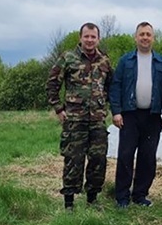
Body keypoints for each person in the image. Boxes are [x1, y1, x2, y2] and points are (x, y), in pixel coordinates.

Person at [46, 22, 113, 211]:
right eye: (87, 36)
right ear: (80, 38)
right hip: (74, 120)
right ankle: (69, 202)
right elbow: (52, 83)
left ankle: (92, 199)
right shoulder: (68, 58)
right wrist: (59, 108)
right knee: (73, 160)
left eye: (93, 37)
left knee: (98, 160)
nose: (90, 40)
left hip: (97, 121)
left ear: (98, 39)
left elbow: (110, 86)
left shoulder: (104, 61)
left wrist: (105, 106)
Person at [109, 22, 162, 208]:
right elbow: (116, 86)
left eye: (148, 34)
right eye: (142, 34)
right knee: (126, 155)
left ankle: (140, 195)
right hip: (129, 115)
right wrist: (116, 111)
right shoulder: (125, 61)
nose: (145, 37)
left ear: (153, 38)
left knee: (147, 157)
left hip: (152, 116)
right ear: (135, 38)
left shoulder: (161, 62)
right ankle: (122, 197)